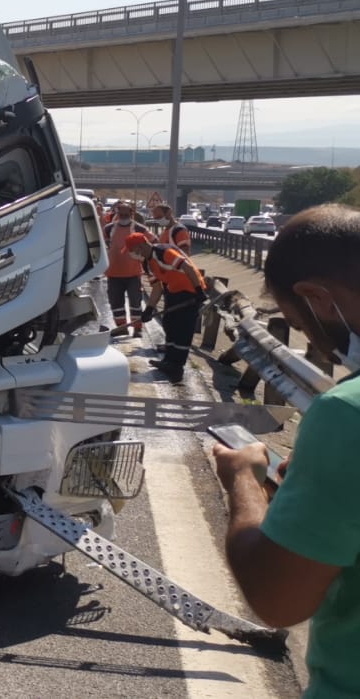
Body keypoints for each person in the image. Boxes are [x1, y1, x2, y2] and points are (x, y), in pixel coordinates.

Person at [212, 204, 360, 698]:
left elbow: (277, 599)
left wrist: (244, 482)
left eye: (302, 324)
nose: (319, 346)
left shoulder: (346, 416)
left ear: (317, 298)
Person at [124, 232, 207, 382]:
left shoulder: (164, 252)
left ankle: (177, 367)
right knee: (169, 324)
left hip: (190, 292)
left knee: (183, 330)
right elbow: (157, 289)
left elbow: (188, 268)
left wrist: (199, 291)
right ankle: (169, 361)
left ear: (140, 246)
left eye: (132, 250)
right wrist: (149, 309)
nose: (132, 254)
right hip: (173, 290)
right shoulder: (147, 264)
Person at [102, 202, 151, 330]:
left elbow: (153, 243)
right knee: (116, 303)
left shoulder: (140, 229)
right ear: (117, 214)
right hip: (113, 273)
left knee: (135, 303)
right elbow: (103, 245)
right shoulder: (108, 228)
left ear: (131, 214)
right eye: (121, 214)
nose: (123, 216)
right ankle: (121, 328)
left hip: (133, 274)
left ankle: (137, 328)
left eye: (126, 214)